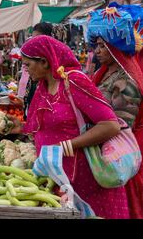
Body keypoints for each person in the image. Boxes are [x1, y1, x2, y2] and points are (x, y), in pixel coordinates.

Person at [10, 35, 129, 219]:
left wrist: (66, 146)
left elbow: (110, 125)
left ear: (44, 62)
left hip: (87, 179)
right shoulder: (44, 85)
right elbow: (51, 126)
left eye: (27, 64)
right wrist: (22, 128)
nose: (24, 70)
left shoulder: (72, 81)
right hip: (60, 178)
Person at [87, 2, 143, 219]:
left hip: (123, 149)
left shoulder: (125, 82)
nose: (97, 51)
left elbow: (121, 127)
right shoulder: (106, 74)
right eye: (96, 45)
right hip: (104, 142)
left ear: (115, 46)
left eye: (102, 45)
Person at [16, 22, 53, 117]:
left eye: (38, 38)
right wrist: (21, 99)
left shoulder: (51, 72)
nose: (34, 42)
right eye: (33, 38)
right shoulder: (30, 54)